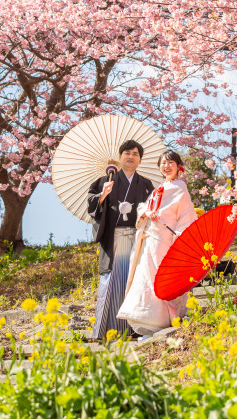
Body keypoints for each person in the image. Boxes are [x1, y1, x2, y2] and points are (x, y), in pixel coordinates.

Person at [117, 150, 198, 336]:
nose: (166, 166)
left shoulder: (180, 188)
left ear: (179, 167)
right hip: (149, 239)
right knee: (146, 277)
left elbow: (186, 216)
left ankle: (167, 319)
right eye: (163, 163)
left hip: (166, 239)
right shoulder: (159, 188)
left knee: (161, 278)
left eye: (170, 163)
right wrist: (146, 212)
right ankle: (148, 321)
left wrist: (179, 239)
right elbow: (144, 208)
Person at [86, 140, 155, 340]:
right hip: (114, 238)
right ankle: (107, 330)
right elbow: (91, 204)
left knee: (135, 281)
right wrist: (102, 195)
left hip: (137, 238)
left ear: (140, 160)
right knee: (111, 282)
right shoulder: (105, 181)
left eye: (135, 154)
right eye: (127, 153)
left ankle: (134, 329)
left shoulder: (145, 184)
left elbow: (152, 208)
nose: (131, 156)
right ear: (120, 157)